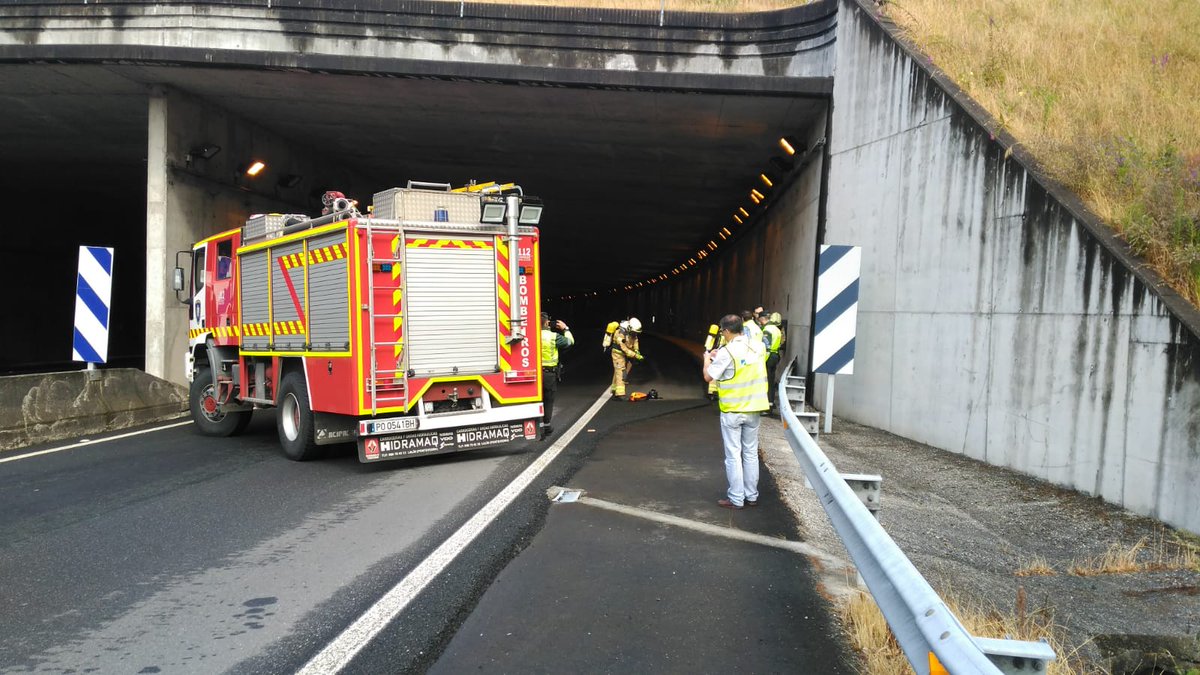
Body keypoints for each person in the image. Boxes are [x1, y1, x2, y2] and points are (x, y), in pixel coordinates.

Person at [703, 313, 769, 509]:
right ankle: (752, 496)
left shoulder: (727, 351)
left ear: (726, 331)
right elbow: (747, 362)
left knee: (733, 454)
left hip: (733, 410)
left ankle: (736, 498)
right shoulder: (759, 346)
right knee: (750, 453)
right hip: (754, 409)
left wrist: (708, 359)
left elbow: (709, 376)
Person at [539, 312, 574, 436]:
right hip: (548, 373)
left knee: (535, 399)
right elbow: (570, 342)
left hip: (534, 374)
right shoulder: (553, 336)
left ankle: (536, 424)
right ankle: (546, 426)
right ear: (547, 323)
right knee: (548, 399)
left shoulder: (530, 335)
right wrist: (565, 328)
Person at [611, 317, 643, 399]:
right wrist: (635, 355)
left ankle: (614, 389)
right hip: (617, 354)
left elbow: (635, 340)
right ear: (629, 328)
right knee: (621, 372)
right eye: (634, 332)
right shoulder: (620, 334)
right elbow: (624, 348)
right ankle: (620, 394)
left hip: (624, 354)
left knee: (618, 371)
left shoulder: (632, 333)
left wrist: (636, 350)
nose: (635, 334)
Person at [759, 311, 784, 412]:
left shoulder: (767, 329)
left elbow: (766, 346)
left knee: (766, 381)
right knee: (771, 380)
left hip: (768, 357)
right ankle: (770, 402)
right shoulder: (776, 329)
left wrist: (761, 360)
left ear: (762, 319)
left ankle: (766, 406)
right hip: (775, 355)